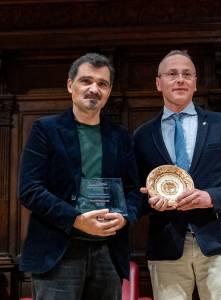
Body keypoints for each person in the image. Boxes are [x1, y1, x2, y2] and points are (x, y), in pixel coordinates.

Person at [134, 50, 221, 300]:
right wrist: (148, 202)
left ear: (195, 82)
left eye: (187, 74)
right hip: (166, 246)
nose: (180, 79)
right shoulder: (143, 135)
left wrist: (210, 197)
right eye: (172, 74)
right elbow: (135, 193)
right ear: (159, 83)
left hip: (219, 243)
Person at [19, 53, 141, 300]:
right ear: (70, 85)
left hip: (108, 251)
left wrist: (126, 217)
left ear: (108, 91)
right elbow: (30, 190)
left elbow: (134, 191)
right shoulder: (45, 130)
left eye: (102, 84)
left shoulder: (120, 137)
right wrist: (76, 219)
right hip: (58, 252)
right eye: (86, 81)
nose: (94, 89)